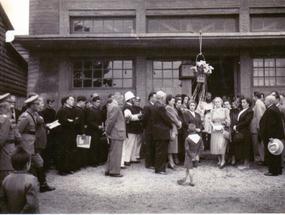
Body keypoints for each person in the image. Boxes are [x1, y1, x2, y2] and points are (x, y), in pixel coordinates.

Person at [17, 94, 55, 192]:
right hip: (26, 144)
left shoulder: (34, 114)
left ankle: (43, 185)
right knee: (27, 166)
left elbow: (38, 122)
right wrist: (20, 146)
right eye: (37, 104)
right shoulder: (25, 116)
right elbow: (17, 132)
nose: (39, 106)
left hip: (33, 143)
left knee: (40, 162)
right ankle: (24, 188)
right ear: (31, 105)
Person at [0, 146, 39, 213]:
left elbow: (2, 200)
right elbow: (31, 204)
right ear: (28, 164)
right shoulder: (32, 180)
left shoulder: (6, 179)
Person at [259, 95, 284, 176]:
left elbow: (271, 126)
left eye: (265, 100)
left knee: (272, 153)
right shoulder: (273, 108)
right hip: (274, 136)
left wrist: (271, 137)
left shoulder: (271, 110)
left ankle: (273, 171)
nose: (264, 101)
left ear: (269, 101)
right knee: (276, 153)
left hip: (271, 136)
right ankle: (277, 170)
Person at [105, 92, 126, 177]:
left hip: (115, 132)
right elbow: (111, 121)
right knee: (116, 153)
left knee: (112, 152)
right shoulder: (116, 107)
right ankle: (114, 171)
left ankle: (109, 170)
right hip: (117, 133)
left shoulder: (111, 106)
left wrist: (108, 131)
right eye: (121, 98)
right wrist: (108, 131)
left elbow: (110, 120)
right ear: (117, 98)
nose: (122, 99)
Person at [152, 91, 173, 174]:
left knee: (159, 150)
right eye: (164, 98)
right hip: (162, 132)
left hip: (157, 131)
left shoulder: (155, 105)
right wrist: (171, 125)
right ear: (161, 98)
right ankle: (160, 169)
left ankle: (158, 168)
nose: (165, 99)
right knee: (162, 151)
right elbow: (166, 119)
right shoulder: (161, 107)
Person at [56, 96, 77, 175]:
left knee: (70, 151)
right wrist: (70, 121)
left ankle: (68, 168)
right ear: (66, 101)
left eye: (73, 100)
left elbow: (75, 120)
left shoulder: (73, 110)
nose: (73, 101)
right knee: (63, 152)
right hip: (63, 134)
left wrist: (71, 121)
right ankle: (62, 170)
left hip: (71, 134)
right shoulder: (62, 110)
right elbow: (61, 122)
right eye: (71, 100)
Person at [0, 93, 18, 185]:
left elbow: (1, 139)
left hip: (5, 151)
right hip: (8, 149)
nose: (11, 106)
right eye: (10, 103)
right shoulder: (6, 118)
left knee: (5, 177)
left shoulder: (4, 119)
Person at [121, 91, 142, 168]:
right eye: (133, 98)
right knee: (128, 145)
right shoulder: (127, 107)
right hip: (130, 129)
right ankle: (126, 160)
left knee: (130, 145)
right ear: (129, 99)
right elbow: (128, 117)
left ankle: (127, 159)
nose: (134, 100)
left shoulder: (128, 106)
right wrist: (138, 116)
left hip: (131, 129)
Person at [233, 98, 254, 170]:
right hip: (241, 130)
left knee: (246, 147)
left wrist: (237, 126)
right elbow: (238, 120)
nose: (242, 104)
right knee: (242, 146)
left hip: (245, 131)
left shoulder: (250, 111)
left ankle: (246, 165)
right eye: (242, 102)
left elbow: (247, 122)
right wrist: (235, 126)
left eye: (244, 102)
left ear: (248, 103)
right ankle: (243, 163)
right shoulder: (242, 110)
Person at [210, 97, 230, 168]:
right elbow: (210, 120)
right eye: (215, 102)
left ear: (221, 102)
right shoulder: (212, 111)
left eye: (218, 102)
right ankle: (219, 159)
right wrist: (213, 125)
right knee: (216, 145)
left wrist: (224, 123)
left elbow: (228, 120)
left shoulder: (225, 110)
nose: (217, 103)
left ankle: (223, 160)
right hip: (215, 130)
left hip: (222, 129)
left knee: (221, 145)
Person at [86, 96, 105, 166]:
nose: (99, 103)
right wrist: (97, 126)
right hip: (92, 131)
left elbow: (102, 120)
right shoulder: (90, 110)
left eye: (99, 102)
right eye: (97, 102)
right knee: (93, 147)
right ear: (93, 102)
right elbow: (89, 121)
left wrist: (102, 126)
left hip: (99, 131)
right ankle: (93, 162)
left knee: (98, 146)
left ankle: (97, 160)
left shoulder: (100, 111)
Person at [165, 94, 182, 169]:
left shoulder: (173, 108)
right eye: (172, 101)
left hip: (174, 127)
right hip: (171, 127)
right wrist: (179, 123)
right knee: (171, 146)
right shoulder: (168, 108)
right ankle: (171, 162)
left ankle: (171, 161)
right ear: (168, 101)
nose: (174, 102)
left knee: (173, 145)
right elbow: (173, 118)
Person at [40, 98, 57, 170]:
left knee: (51, 148)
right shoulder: (44, 112)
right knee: (46, 149)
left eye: (54, 103)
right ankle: (45, 165)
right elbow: (44, 122)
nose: (53, 105)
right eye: (52, 103)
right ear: (48, 103)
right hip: (47, 131)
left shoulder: (53, 111)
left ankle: (49, 164)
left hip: (53, 131)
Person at [185, 100, 203, 167]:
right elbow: (186, 123)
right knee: (191, 147)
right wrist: (194, 129)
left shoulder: (197, 114)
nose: (192, 107)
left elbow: (200, 123)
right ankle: (191, 160)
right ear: (189, 106)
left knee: (197, 146)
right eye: (191, 105)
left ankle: (196, 159)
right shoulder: (186, 113)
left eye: (193, 105)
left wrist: (200, 129)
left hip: (198, 133)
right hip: (191, 133)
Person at [250, 92, 266, 164]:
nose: (252, 97)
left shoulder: (258, 103)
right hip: (259, 126)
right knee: (260, 143)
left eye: (253, 96)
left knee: (259, 143)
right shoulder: (260, 103)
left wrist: (258, 127)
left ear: (255, 96)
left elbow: (259, 116)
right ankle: (262, 158)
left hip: (258, 127)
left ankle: (262, 159)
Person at [142, 92, 156, 169]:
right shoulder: (147, 106)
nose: (156, 98)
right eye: (155, 97)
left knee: (152, 146)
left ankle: (152, 163)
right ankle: (148, 164)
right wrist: (146, 127)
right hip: (149, 129)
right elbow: (144, 119)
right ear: (151, 97)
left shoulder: (154, 105)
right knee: (149, 147)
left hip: (154, 130)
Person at [74, 96, 87, 169]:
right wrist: (83, 132)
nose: (85, 104)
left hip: (77, 132)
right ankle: (79, 164)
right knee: (80, 148)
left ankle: (79, 164)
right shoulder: (79, 110)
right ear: (81, 102)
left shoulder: (76, 109)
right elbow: (80, 123)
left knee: (79, 148)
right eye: (84, 102)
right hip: (79, 132)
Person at [175, 97, 188, 164]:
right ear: (175, 103)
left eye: (180, 103)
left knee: (181, 144)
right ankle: (176, 158)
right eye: (178, 103)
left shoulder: (181, 111)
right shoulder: (175, 110)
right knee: (177, 145)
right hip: (178, 130)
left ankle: (181, 158)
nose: (180, 104)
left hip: (183, 130)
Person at [131, 97, 144, 162]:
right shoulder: (131, 108)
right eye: (136, 101)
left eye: (139, 101)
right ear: (133, 101)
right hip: (133, 128)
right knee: (134, 143)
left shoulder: (141, 109)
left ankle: (137, 155)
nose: (138, 102)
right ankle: (133, 156)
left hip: (139, 127)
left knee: (139, 142)